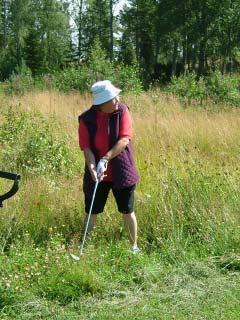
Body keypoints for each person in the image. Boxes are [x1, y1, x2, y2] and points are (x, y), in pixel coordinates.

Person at [78, 80, 139, 253]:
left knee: (127, 210)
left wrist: (105, 159)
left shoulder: (122, 111)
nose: (117, 100)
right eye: (113, 98)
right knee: (92, 211)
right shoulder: (86, 119)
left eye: (116, 97)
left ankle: (133, 247)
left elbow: (124, 139)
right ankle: (84, 248)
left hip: (122, 170)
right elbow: (86, 147)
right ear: (101, 104)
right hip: (97, 174)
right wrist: (92, 167)